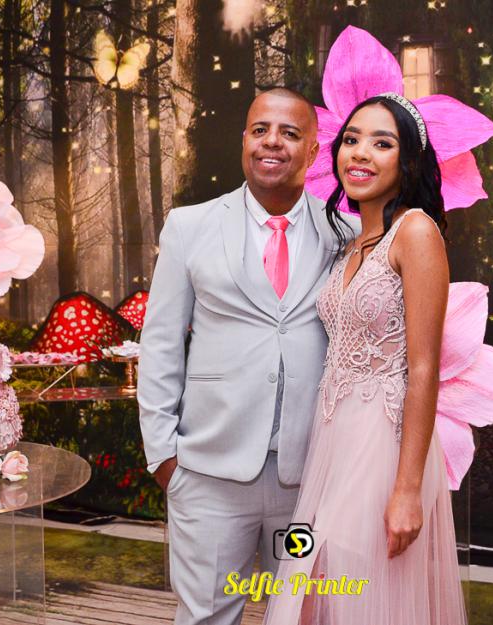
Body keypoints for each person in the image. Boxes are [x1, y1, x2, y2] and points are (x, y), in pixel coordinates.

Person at [137, 87, 360, 625]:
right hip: (209, 479)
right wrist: (164, 457)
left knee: (303, 612)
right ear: (244, 140)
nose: (272, 142)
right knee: (207, 615)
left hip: (307, 485)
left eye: (290, 133)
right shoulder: (190, 226)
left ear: (314, 150)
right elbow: (161, 344)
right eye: (261, 130)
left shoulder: (347, 234)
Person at [262, 93, 468, 624]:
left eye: (382, 143)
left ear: (409, 160)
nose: (360, 153)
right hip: (333, 443)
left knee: (350, 596)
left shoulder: (416, 232)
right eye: (351, 139)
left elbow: (424, 368)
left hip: (383, 446)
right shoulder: (354, 243)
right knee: (309, 593)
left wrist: (407, 490)